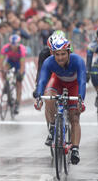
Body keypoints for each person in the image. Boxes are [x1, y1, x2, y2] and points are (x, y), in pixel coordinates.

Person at [34, 36, 86, 165]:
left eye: (63, 54)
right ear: (53, 54)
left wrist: (81, 100)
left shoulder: (78, 61)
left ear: (69, 52)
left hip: (74, 85)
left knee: (74, 117)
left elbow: (82, 81)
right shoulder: (48, 62)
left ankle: (75, 149)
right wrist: (38, 98)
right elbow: (42, 81)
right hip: (58, 82)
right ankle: (52, 126)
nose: (60, 57)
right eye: (57, 54)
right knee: (48, 96)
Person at [0, 34, 26, 115]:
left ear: (18, 44)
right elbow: (0, 61)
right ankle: (6, 85)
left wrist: (20, 74)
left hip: (18, 63)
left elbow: (22, 65)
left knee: (18, 83)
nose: (14, 47)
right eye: (12, 45)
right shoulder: (5, 48)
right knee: (3, 69)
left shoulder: (22, 50)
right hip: (10, 62)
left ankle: (17, 104)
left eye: (15, 45)